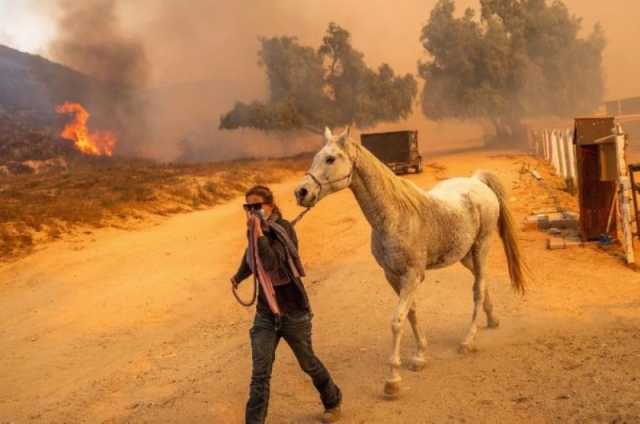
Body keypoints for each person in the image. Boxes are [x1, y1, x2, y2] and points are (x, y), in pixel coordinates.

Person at [231, 185, 342, 424]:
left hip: (293, 312)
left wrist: (259, 234)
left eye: (256, 207)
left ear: (270, 206)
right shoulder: (253, 235)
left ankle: (332, 399)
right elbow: (251, 259)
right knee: (260, 373)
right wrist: (238, 276)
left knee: (308, 363)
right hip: (266, 313)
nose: (251, 212)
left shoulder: (285, 230)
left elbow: (270, 262)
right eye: (247, 207)